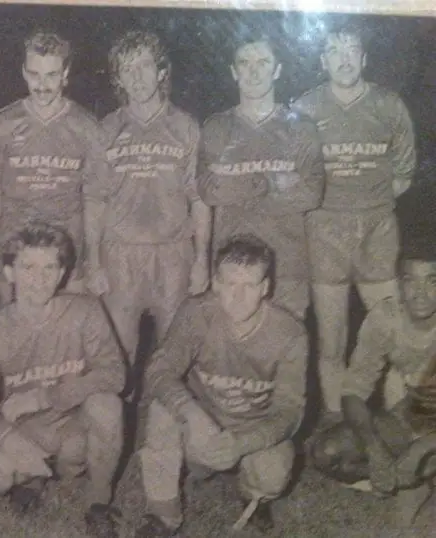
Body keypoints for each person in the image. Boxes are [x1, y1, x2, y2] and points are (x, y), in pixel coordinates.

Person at [136, 234, 307, 537]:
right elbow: (160, 369)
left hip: (253, 425)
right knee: (162, 410)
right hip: (204, 419)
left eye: (250, 286)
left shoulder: (290, 333)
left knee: (273, 473)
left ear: (266, 288)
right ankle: (163, 515)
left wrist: (243, 443)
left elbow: (290, 412)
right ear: (215, 283)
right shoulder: (196, 312)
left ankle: (252, 496)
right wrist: (192, 413)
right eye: (230, 284)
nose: (238, 297)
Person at [0, 222, 125, 538]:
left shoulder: (85, 311)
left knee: (107, 405)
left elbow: (115, 375)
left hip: (72, 428)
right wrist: (10, 439)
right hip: (25, 430)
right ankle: (31, 481)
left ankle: (98, 503)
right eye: (29, 267)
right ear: (9, 273)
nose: (40, 279)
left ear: (63, 273)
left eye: (50, 267)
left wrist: (44, 397)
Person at [292, 22, 417, 413]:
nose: (344, 59)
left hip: (377, 231)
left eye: (352, 51)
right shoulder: (305, 108)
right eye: (335, 50)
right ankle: (338, 430)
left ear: (363, 58)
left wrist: (366, 202)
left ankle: (398, 426)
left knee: (394, 337)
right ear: (323, 59)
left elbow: (404, 172)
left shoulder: (388, 104)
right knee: (333, 341)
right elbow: (293, 175)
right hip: (325, 233)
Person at [86, 30, 211, 374]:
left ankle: (166, 426)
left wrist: (202, 260)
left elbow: (199, 199)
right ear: (119, 79)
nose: (137, 76)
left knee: (174, 360)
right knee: (117, 359)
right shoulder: (107, 128)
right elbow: (94, 199)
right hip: (121, 254)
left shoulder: (185, 126)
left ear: (160, 72)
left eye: (143, 66)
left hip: (173, 255)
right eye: (127, 69)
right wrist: (93, 262)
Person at [198, 30, 324, 321]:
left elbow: (312, 194)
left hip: (287, 267)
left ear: (278, 69)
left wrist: (236, 182)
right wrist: (273, 183)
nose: (254, 72)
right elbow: (208, 190)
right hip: (233, 270)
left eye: (263, 62)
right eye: (245, 63)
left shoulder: (302, 128)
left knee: (286, 357)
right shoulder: (216, 127)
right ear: (233, 71)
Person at [311, 239, 436, 527]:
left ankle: (419, 477)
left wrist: (420, 450)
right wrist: (374, 447)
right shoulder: (385, 317)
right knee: (327, 451)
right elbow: (354, 390)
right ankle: (413, 479)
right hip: (415, 413)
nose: (420, 293)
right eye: (410, 281)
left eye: (432, 281)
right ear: (399, 285)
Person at [0, 29, 108, 305]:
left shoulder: (86, 127)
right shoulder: (2, 125)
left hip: (69, 253)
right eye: (35, 74)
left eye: (52, 75)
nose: (42, 85)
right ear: (23, 72)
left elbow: (94, 199)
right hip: (14, 250)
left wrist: (94, 261)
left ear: (66, 73)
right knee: (13, 336)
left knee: (66, 339)